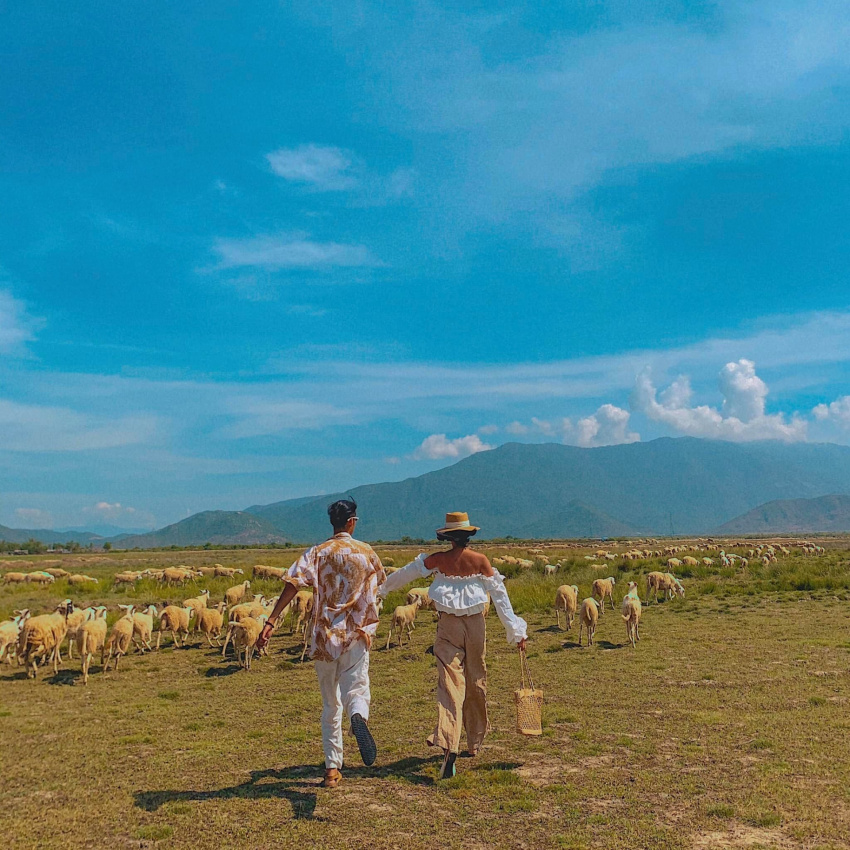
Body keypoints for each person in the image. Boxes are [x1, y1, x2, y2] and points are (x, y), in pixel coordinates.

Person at [378, 511, 527, 780]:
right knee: (476, 678)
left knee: (449, 685)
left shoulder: (438, 560)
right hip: (476, 626)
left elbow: (405, 574)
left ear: (447, 536)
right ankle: (474, 742)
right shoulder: (480, 560)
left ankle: (449, 744)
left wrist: (379, 590)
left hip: (447, 626)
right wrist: (515, 631)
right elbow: (500, 597)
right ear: (469, 535)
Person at [257, 498, 386, 788]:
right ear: (352, 522)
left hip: (324, 637)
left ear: (333, 523)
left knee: (330, 703)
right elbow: (380, 585)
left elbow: (293, 583)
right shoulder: (366, 552)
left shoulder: (317, 553)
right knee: (357, 688)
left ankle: (331, 769)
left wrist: (271, 621)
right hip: (356, 635)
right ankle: (358, 717)